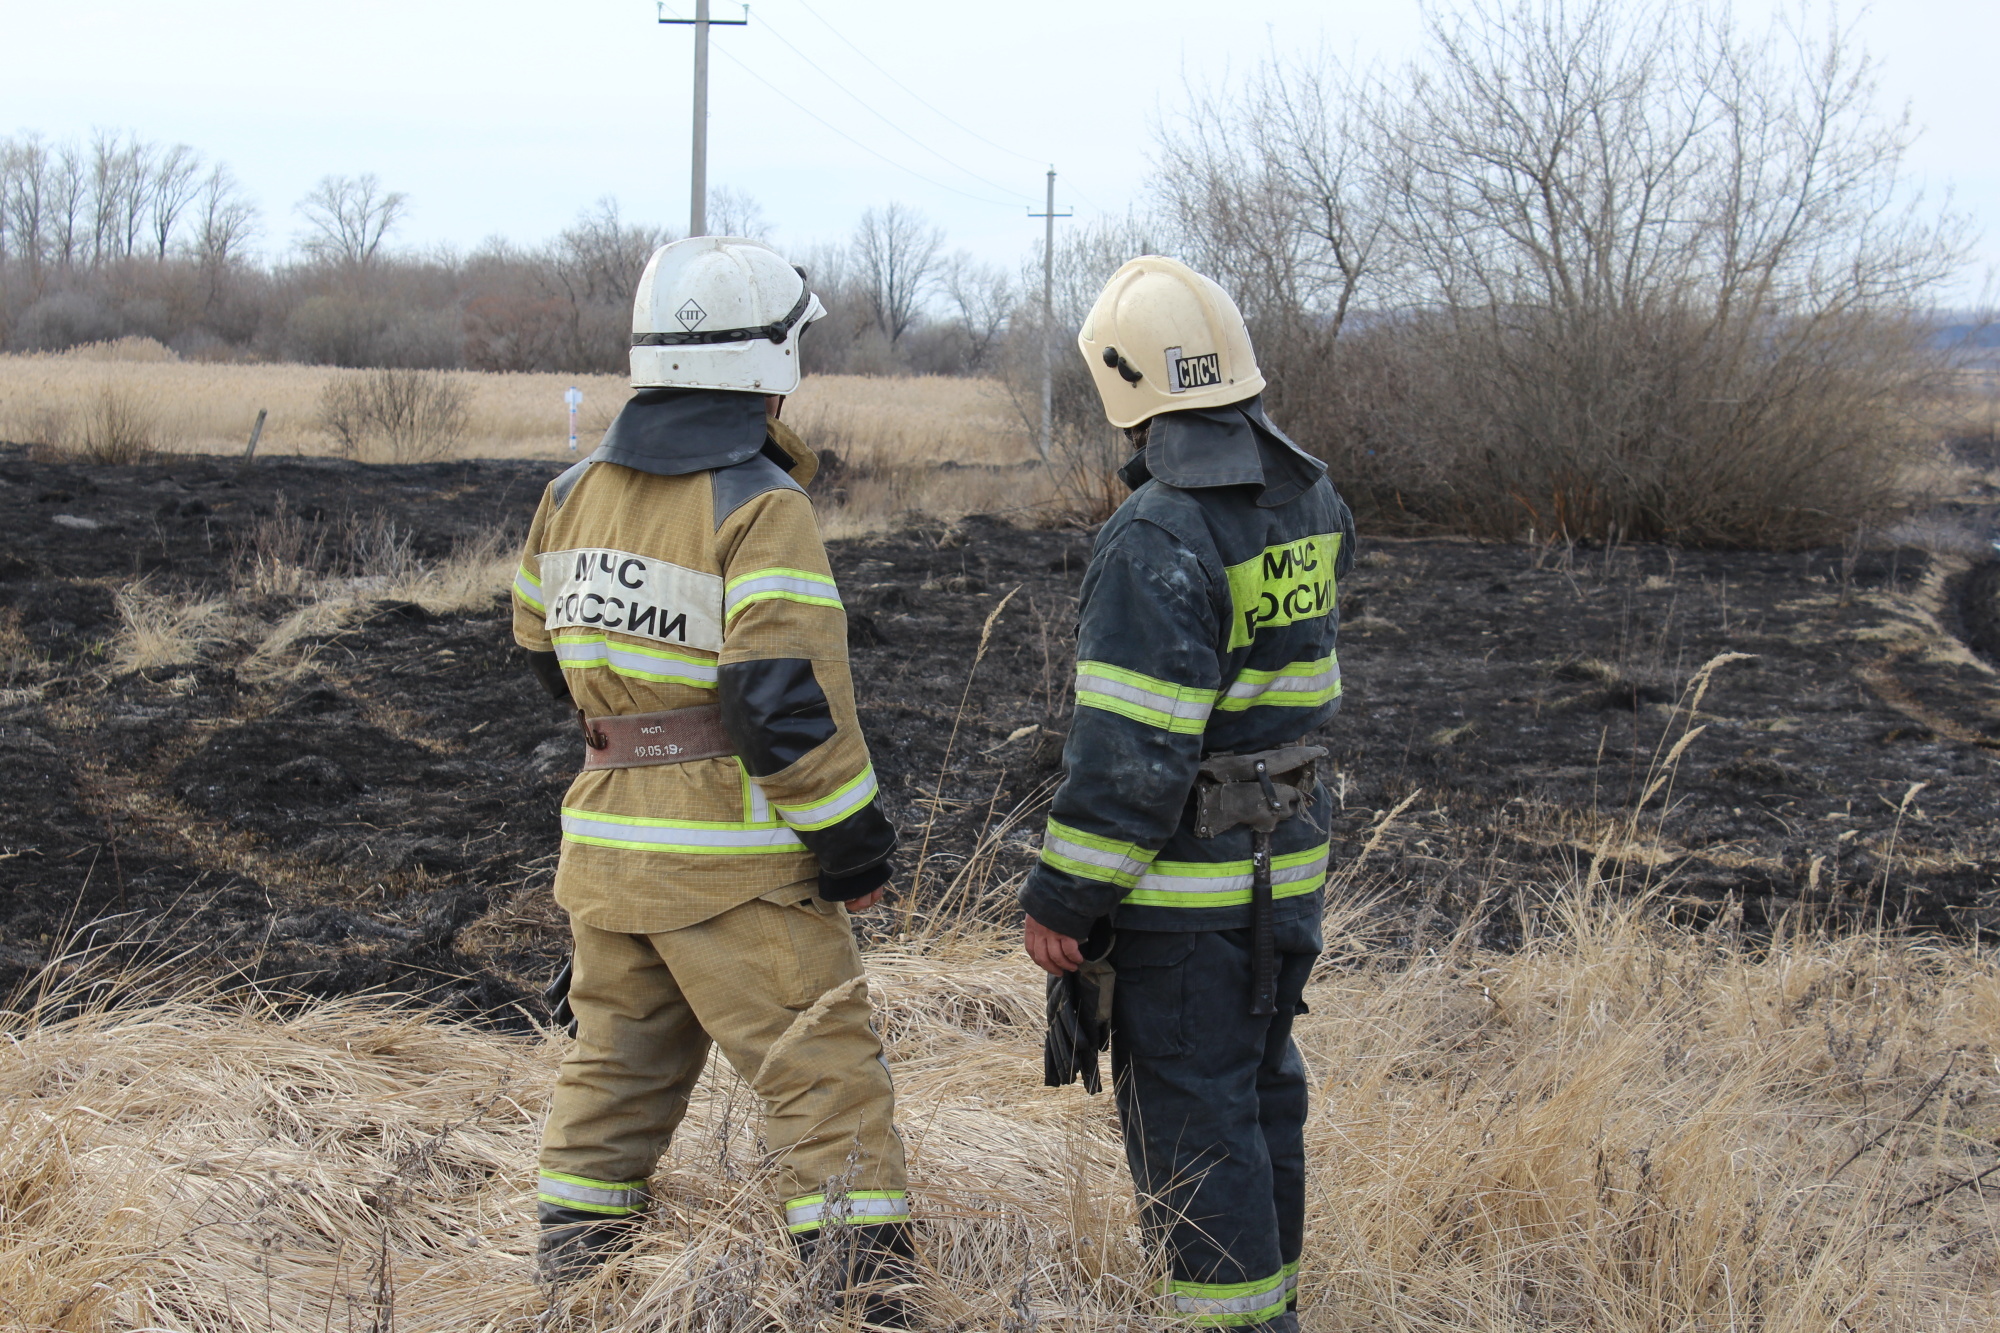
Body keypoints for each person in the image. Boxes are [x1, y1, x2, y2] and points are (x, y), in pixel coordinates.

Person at [512, 235, 914, 1319]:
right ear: (766, 360)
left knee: (611, 1083)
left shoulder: (568, 494)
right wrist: (854, 850)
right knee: (827, 1086)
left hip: (608, 860)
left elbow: (542, 654)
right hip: (736, 872)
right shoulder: (760, 504)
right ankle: (866, 1305)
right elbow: (781, 704)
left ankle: (577, 1298)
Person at [1020, 256, 1356, 1333]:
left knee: (1195, 1130)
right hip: (1286, 880)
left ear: (1124, 382)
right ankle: (1272, 1309)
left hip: (1189, 906)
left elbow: (1132, 759)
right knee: (1259, 1098)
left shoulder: (1156, 535)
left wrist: (1063, 900)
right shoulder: (1312, 500)